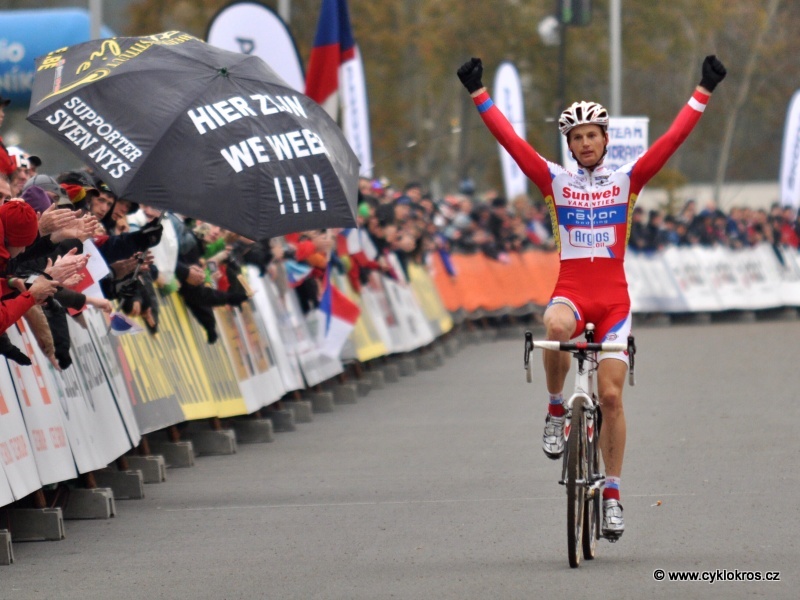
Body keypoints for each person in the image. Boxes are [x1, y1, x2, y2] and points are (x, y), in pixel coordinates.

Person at [458, 54, 727, 540]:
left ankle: (613, 495)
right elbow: (511, 142)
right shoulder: (554, 181)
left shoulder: (627, 180)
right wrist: (479, 93)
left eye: (591, 136)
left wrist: (703, 90)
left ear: (606, 140)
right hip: (573, 293)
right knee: (555, 326)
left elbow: (672, 141)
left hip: (615, 304)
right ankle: (556, 407)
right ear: (569, 146)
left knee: (610, 396)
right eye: (576, 138)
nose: (584, 143)